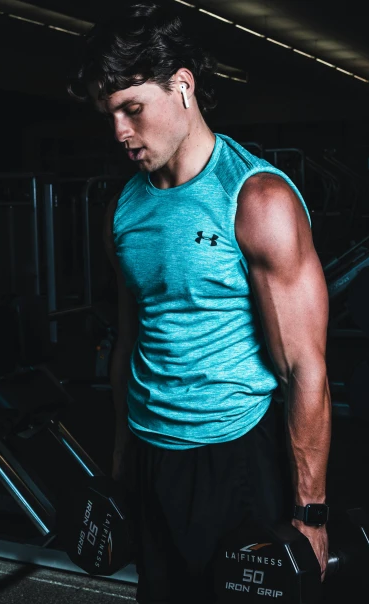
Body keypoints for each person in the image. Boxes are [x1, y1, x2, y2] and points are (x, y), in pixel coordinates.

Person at [68, 3, 331, 602]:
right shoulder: (123, 211)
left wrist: (309, 511)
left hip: (235, 455)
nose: (119, 134)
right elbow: (129, 338)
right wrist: (119, 464)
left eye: (132, 109)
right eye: (107, 115)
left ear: (182, 85)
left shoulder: (258, 200)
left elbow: (304, 367)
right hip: (150, 453)